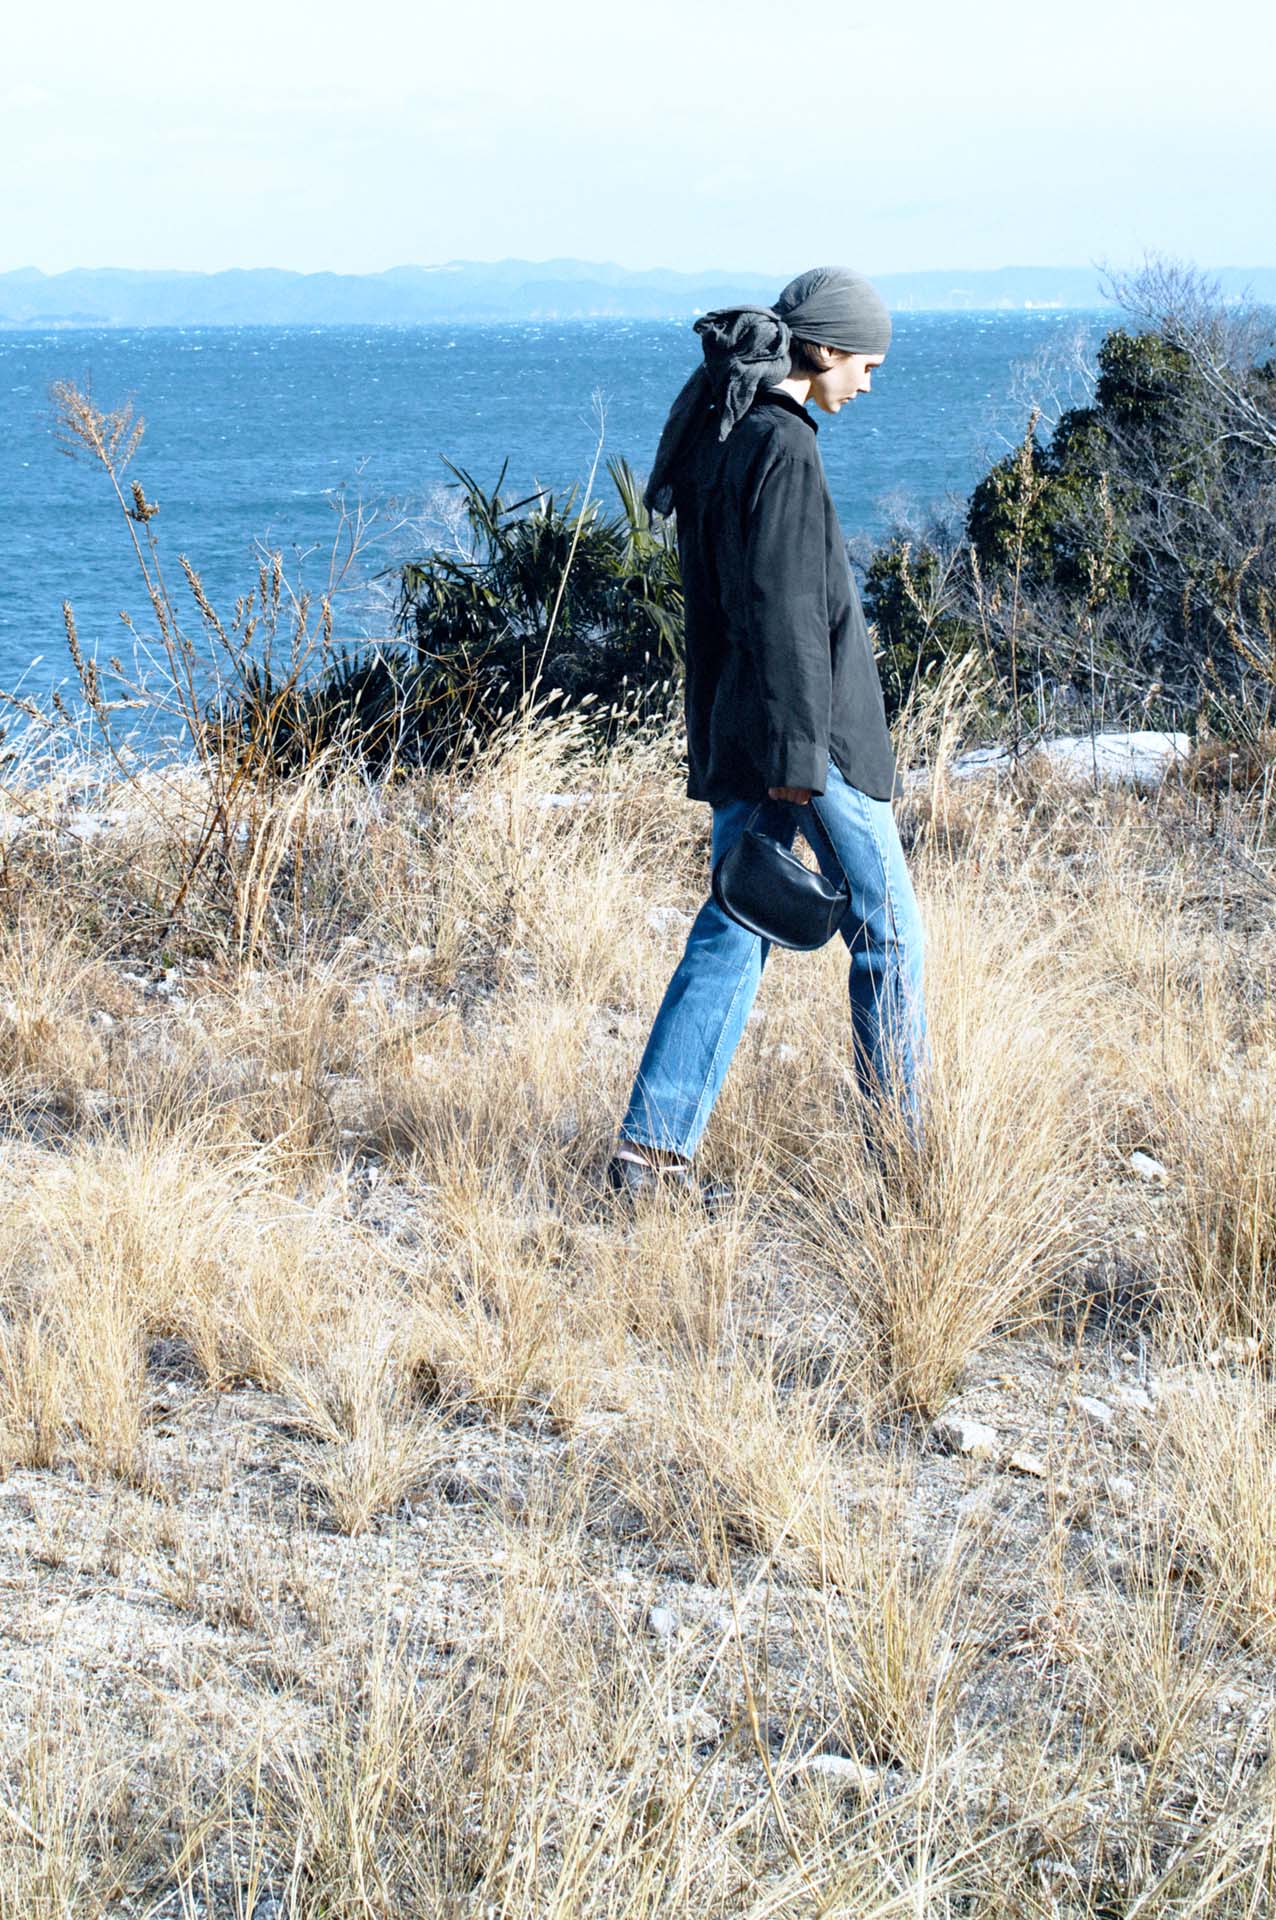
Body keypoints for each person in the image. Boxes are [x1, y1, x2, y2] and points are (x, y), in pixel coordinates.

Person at [607, 265, 929, 1204]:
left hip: (744, 725)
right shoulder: (781, 445)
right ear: (822, 349)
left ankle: (650, 1159)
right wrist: (799, 760)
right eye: (865, 363)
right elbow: (785, 611)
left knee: (738, 921)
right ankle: (905, 1168)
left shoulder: (728, 429)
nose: (868, 381)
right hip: (807, 741)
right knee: (890, 934)